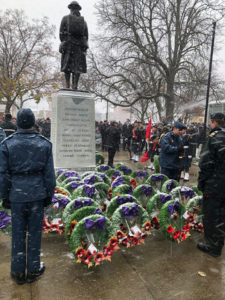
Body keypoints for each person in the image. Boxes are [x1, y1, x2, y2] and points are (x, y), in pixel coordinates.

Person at [0, 108, 56, 284]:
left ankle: (17, 272)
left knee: (17, 233)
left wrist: (5, 196)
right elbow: (49, 175)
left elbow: (3, 174)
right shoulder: (44, 144)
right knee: (34, 234)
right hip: (36, 193)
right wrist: (48, 194)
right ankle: (32, 269)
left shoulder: (8, 144)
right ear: (33, 123)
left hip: (17, 194)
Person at [197, 113, 225, 257]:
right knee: (221, 216)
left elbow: (205, 163)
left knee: (210, 216)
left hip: (215, 184)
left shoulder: (214, 138)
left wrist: (202, 183)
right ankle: (219, 242)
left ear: (214, 122)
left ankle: (212, 246)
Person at [59, 1, 88, 90]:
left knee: (67, 66)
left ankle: (68, 85)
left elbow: (61, 33)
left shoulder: (65, 18)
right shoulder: (83, 21)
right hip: (78, 46)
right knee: (77, 67)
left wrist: (63, 42)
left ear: (70, 8)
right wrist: (84, 47)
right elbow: (86, 35)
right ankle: (75, 86)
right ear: (78, 9)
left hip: (68, 44)